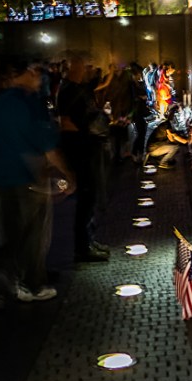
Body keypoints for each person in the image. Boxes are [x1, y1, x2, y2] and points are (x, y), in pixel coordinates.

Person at [0, 55, 75, 305]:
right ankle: (32, 285)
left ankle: (8, 283)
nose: (41, 80)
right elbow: (48, 147)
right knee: (34, 236)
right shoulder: (30, 104)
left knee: (10, 235)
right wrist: (67, 176)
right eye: (39, 74)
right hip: (30, 182)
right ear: (30, 73)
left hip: (3, 181)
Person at [55, 53, 110, 262]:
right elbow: (67, 121)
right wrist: (89, 133)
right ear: (72, 68)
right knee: (86, 197)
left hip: (86, 145)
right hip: (80, 148)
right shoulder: (68, 90)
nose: (88, 70)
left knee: (91, 196)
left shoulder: (78, 89)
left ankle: (88, 239)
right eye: (84, 66)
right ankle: (83, 247)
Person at [145, 101, 188, 169]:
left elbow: (171, 138)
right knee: (175, 148)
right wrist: (187, 141)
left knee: (174, 144)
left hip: (153, 147)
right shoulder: (167, 125)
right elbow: (174, 137)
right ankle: (162, 163)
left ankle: (159, 158)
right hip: (153, 149)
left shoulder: (166, 123)